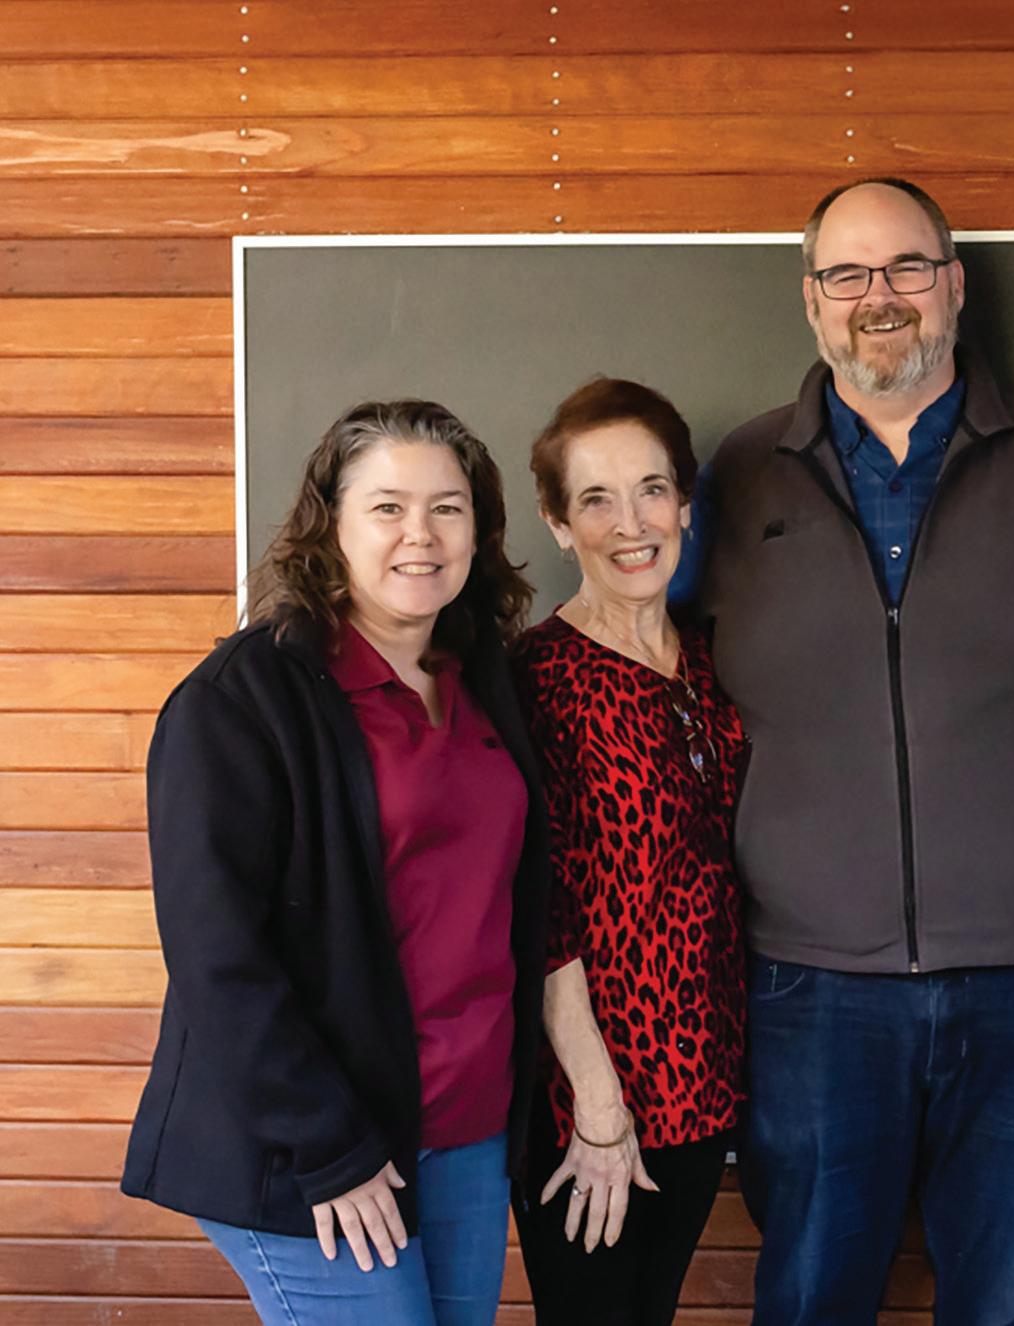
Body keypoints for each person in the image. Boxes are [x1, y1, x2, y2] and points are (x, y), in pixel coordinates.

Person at [689, 176, 1014, 1324]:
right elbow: (644, 673)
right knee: (809, 1301)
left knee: (1007, 1306)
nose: (880, 296)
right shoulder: (733, 480)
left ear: (954, 286)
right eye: (847, 273)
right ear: (811, 300)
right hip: (806, 991)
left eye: (908, 266)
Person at [121, 401, 549, 1326]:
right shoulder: (241, 700)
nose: (421, 534)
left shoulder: (482, 680)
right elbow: (218, 957)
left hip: (465, 1131)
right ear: (331, 526)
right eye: (387, 507)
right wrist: (328, 1149)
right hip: (316, 1143)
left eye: (448, 508)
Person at [510, 378, 748, 1324]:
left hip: (701, 1080)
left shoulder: (712, 663)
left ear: (685, 502)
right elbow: (542, 910)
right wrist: (598, 1105)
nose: (630, 523)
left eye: (651, 489)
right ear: (558, 524)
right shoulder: (538, 680)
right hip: (589, 1097)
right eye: (595, 500)